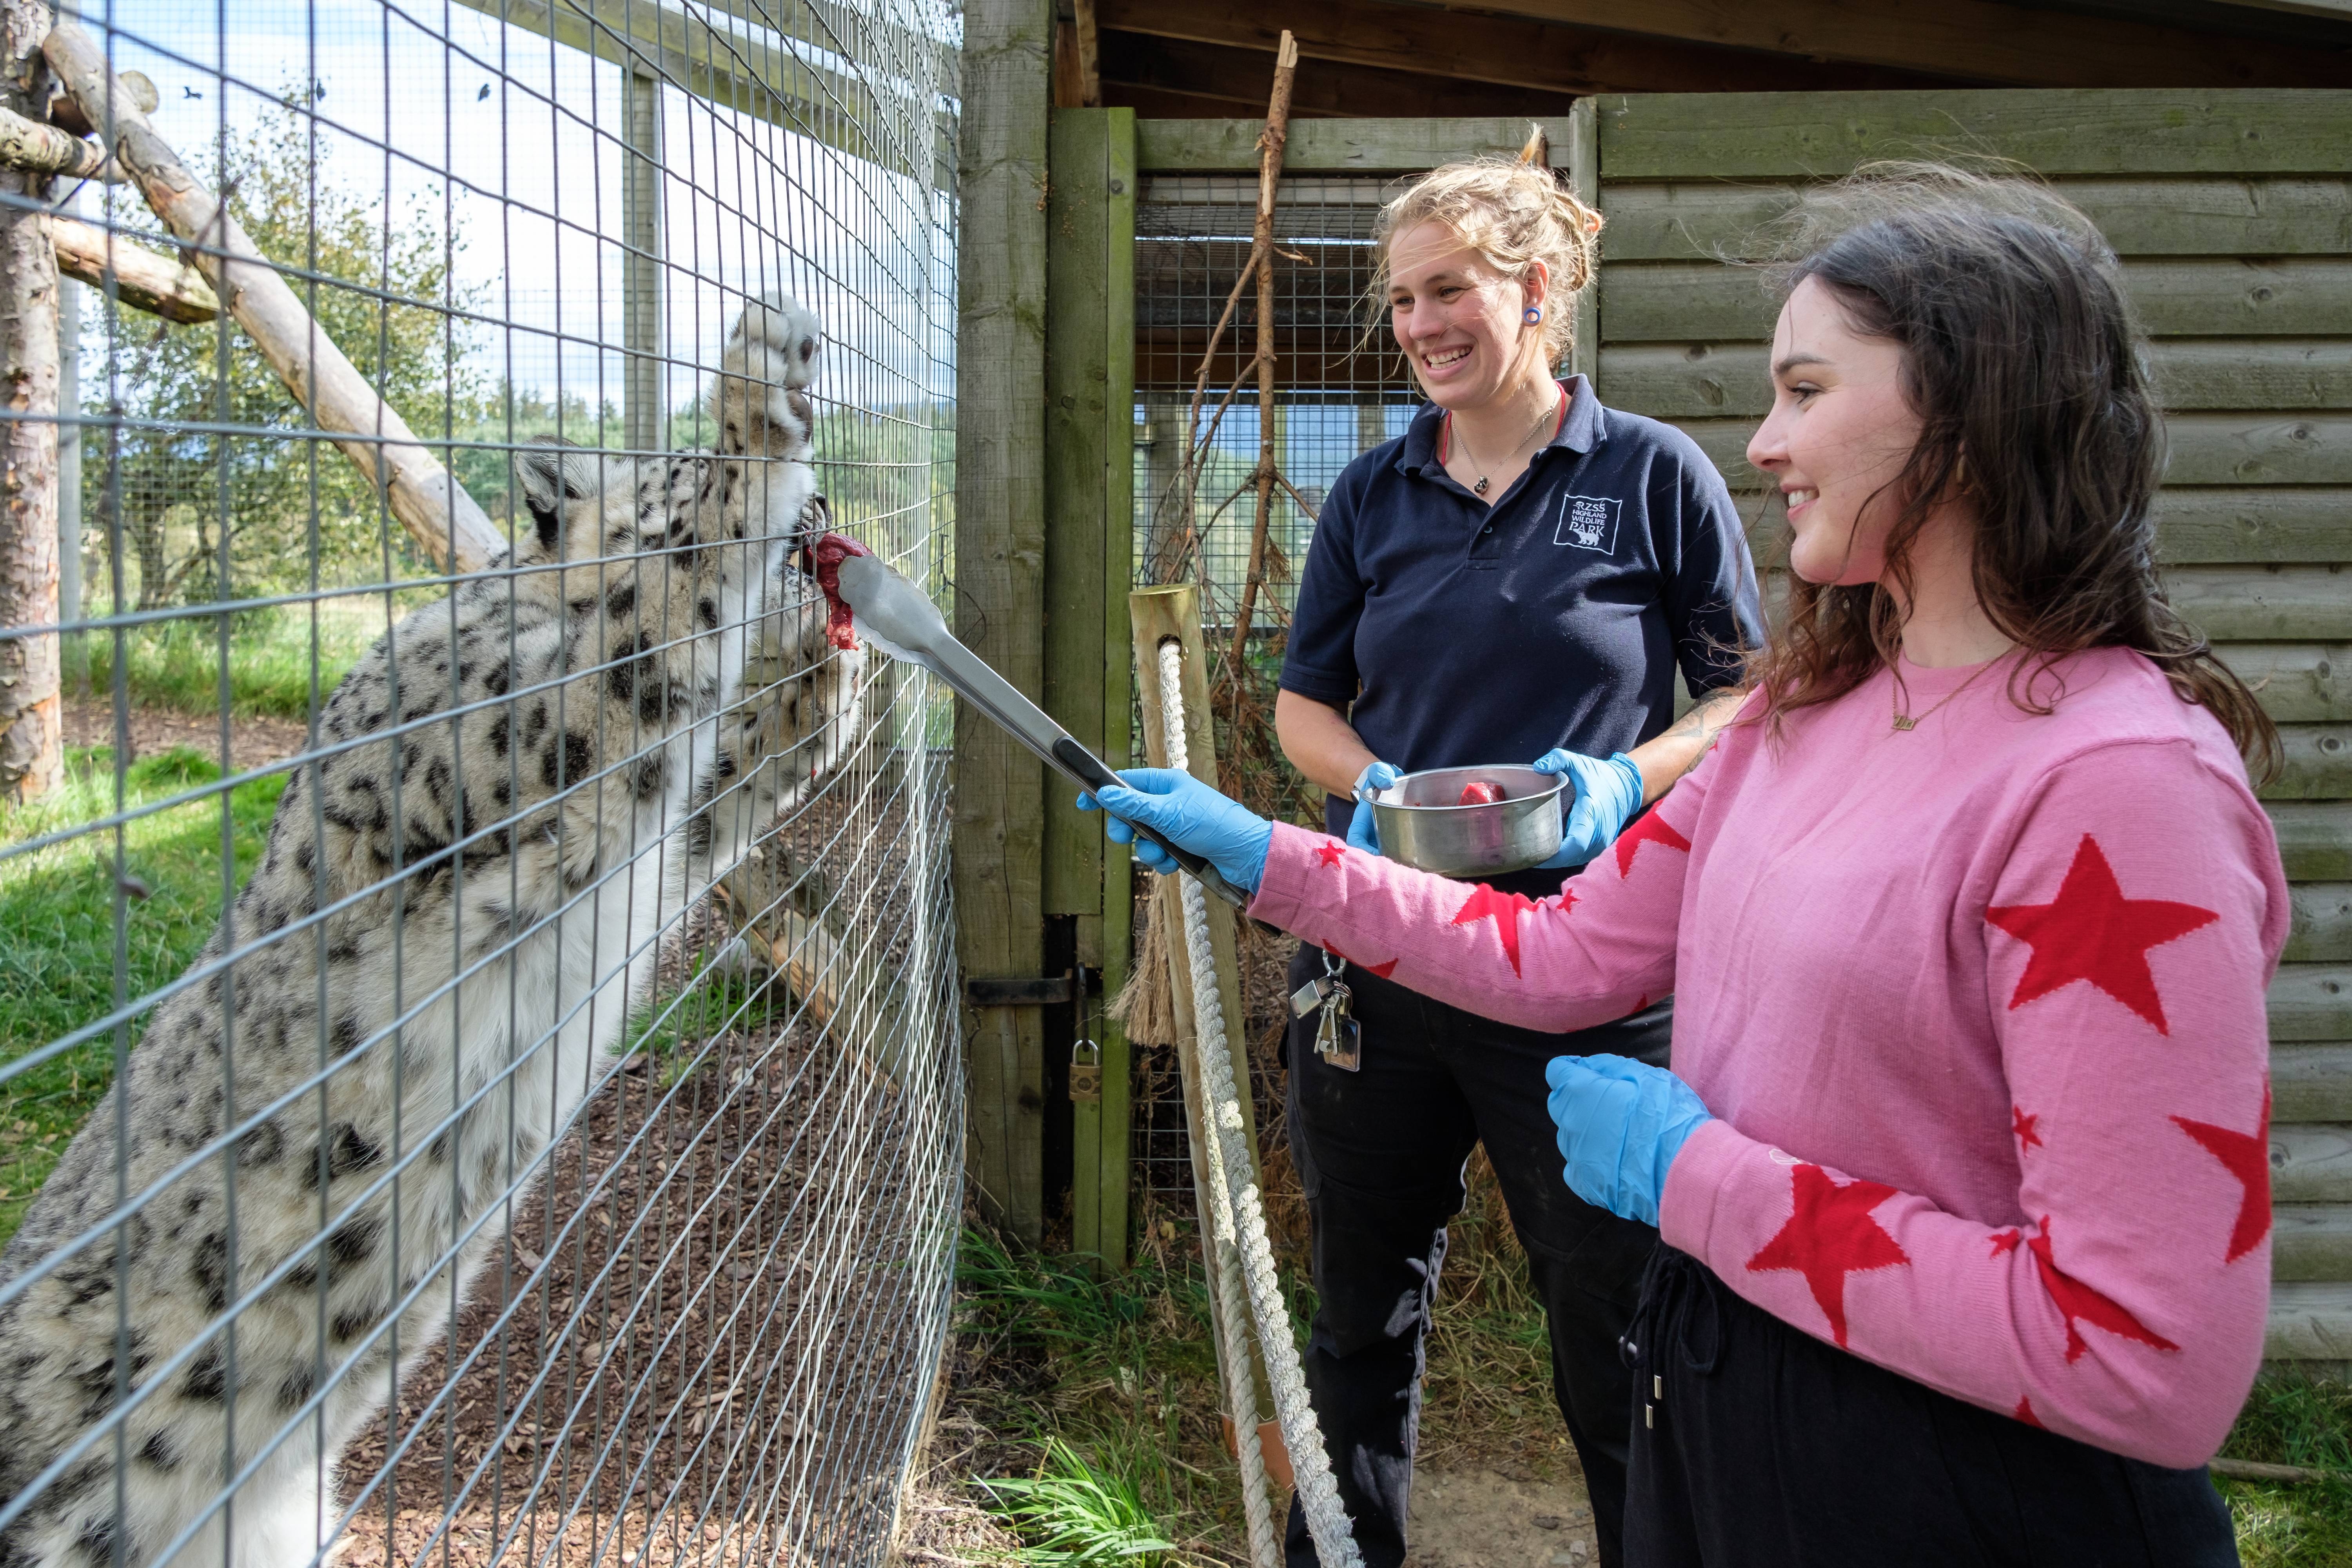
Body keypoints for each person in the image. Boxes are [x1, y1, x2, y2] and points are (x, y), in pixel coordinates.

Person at [1089, 165, 2281, 1564]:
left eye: (1807, 390)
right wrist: (1271, 858)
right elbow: (1557, 956)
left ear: (1968, 412)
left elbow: (2141, 1356)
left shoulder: (2117, 787)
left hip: (1957, 1493)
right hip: (1726, 1412)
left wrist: (1695, 1176)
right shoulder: (1809, 714)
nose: (1765, 444)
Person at [1264, 144, 1763, 1568]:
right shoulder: (1373, 495)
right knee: (1362, 1317)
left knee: (1617, 1327)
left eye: (1449, 290)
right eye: (1402, 298)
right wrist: (1382, 791)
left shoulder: (1653, 474)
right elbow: (1306, 708)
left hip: (1595, 968)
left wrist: (1621, 781)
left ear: (1536, 289)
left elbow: (1746, 697)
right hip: (1386, 953)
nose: (1420, 324)